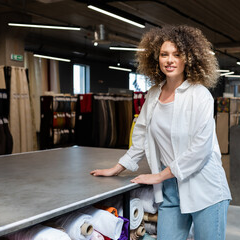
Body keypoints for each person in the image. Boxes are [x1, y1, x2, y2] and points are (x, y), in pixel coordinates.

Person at [90, 25, 231, 240]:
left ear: (189, 58)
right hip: (171, 190)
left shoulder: (200, 95)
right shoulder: (154, 94)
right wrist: (116, 168)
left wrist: (159, 175)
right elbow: (141, 136)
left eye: (177, 54)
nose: (170, 60)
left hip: (206, 188)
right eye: (164, 54)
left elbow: (200, 150)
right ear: (156, 58)